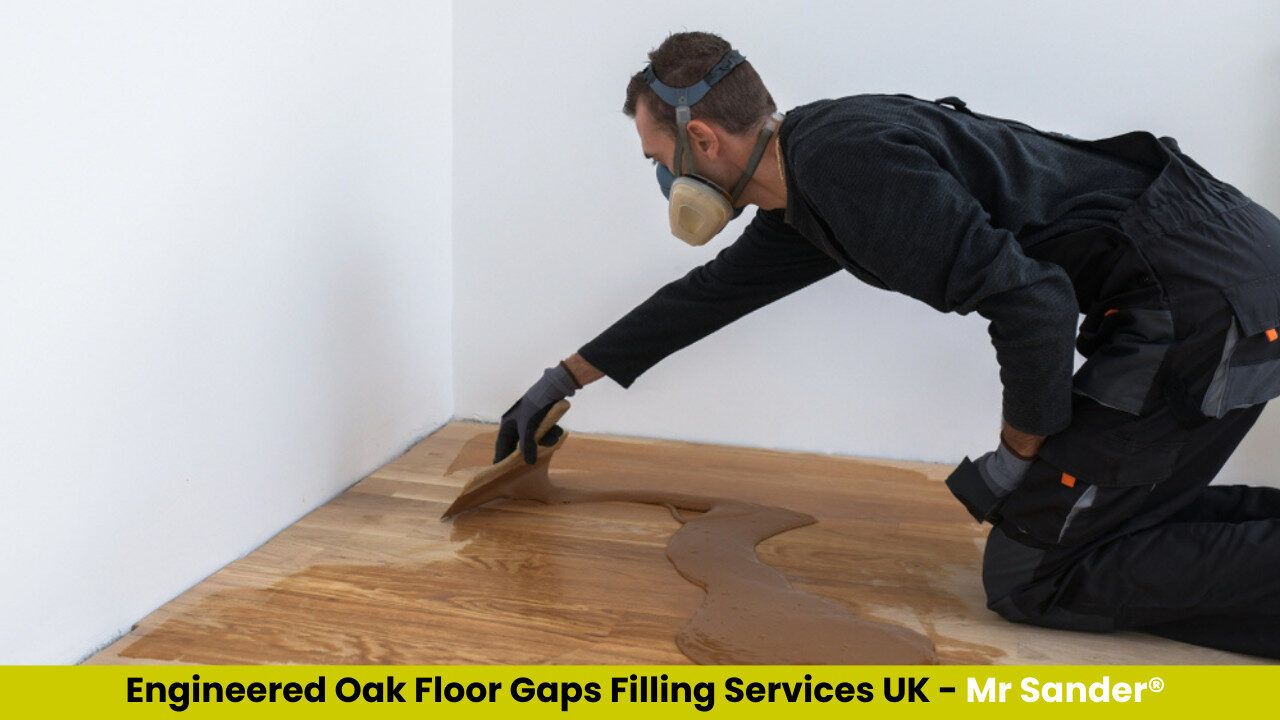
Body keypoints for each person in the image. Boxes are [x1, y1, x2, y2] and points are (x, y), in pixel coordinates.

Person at [493, 31, 1280, 659]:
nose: (662, 179)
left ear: (700, 138)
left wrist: (1016, 454)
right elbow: (708, 296)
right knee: (1073, 528)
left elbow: (1035, 303)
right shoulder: (811, 176)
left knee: (1037, 574)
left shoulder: (846, 169)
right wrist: (563, 378)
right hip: (1197, 275)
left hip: (1203, 301)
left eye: (656, 159)